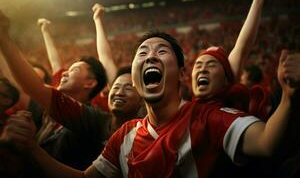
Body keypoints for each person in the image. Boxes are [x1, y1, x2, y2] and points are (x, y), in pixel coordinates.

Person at [4, 30, 295, 178]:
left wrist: (289, 95)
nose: (150, 56)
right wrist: (32, 149)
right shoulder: (125, 135)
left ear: (182, 74)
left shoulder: (210, 118)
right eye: (142, 52)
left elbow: (267, 143)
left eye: (161, 51)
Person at [0, 10, 111, 175]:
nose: (64, 73)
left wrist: (4, 38)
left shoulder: (92, 119)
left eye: (73, 70)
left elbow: (33, 87)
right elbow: (21, 83)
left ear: (90, 83)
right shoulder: (46, 112)